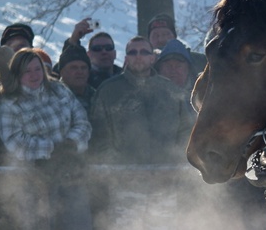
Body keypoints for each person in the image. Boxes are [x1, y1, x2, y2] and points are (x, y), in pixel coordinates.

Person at [0, 48, 93, 230]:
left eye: (37, 68)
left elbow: (82, 121)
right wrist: (50, 149)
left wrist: (71, 144)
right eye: (27, 70)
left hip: (70, 173)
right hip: (35, 181)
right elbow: (14, 141)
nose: (34, 74)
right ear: (17, 74)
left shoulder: (59, 91)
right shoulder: (9, 104)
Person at [89, 35, 192, 164]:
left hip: (169, 172)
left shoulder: (170, 89)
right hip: (123, 175)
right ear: (126, 58)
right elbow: (99, 137)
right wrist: (116, 168)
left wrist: (178, 160)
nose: (138, 56)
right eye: (132, 52)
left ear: (152, 58)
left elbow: (186, 130)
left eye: (144, 52)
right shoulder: (108, 91)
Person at [55, 18, 122, 89]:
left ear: (115, 53)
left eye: (108, 48)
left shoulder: (126, 77)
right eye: (97, 49)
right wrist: (73, 41)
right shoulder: (81, 76)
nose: (104, 52)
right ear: (88, 55)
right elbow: (59, 73)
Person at [155, 38, 198, 119]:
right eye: (168, 66)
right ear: (159, 69)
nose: (173, 70)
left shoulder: (201, 97)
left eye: (178, 66)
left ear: (188, 70)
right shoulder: (149, 94)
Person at [58, 44, 94, 113]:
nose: (80, 72)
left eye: (83, 68)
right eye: (73, 68)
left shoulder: (97, 97)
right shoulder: (51, 96)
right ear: (62, 72)